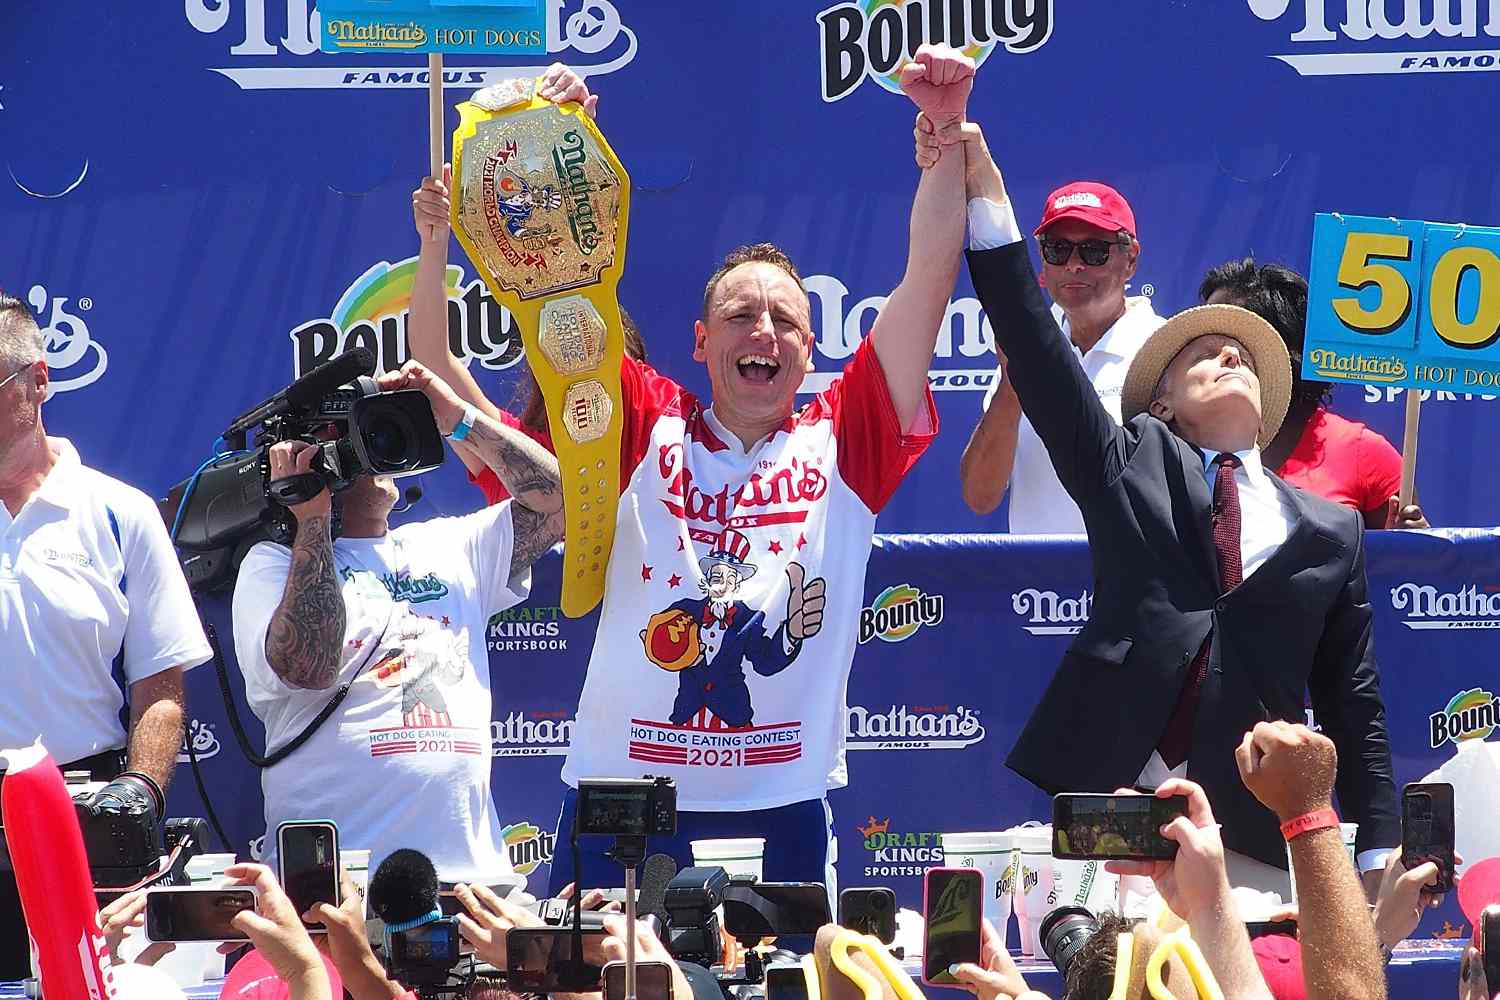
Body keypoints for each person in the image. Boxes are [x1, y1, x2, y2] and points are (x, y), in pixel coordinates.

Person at [529, 45, 972, 894]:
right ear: (701, 342)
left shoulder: (849, 436)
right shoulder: (642, 417)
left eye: (786, 321)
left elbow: (927, 277)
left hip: (781, 798)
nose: (763, 332)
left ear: (812, 349)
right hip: (625, 793)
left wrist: (946, 135)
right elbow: (569, 296)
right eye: (740, 315)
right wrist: (565, 150)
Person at [932, 117, 1400, 894]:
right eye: (1203, 354)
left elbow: (1355, 702)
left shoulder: (1332, 531)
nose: (1229, 354)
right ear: (1162, 405)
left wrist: (1381, 846)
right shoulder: (1127, 466)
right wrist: (978, 167)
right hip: (1112, 822)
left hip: (1258, 834)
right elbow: (1028, 331)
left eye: (1245, 355)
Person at [230, 360, 564, 887]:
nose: (376, 444)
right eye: (356, 429)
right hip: (337, 892)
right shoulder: (271, 564)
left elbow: (558, 502)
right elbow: (309, 666)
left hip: (472, 885)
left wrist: (459, 418)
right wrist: (311, 516)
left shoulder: (449, 545)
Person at [0, 293, 211, 977]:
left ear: (38, 381)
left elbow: (160, 684)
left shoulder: (120, 513)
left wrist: (141, 795)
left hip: (73, 815)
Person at [407, 65, 648, 508]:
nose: (579, 360)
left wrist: (576, 132)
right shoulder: (516, 457)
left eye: (601, 348)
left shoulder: (666, 447)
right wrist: (434, 241)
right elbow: (431, 358)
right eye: (560, 347)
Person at [951, 155, 1163, 532]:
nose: (1074, 265)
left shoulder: (1166, 351)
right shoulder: (1025, 350)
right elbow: (980, 497)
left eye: (1094, 250)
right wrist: (1015, 383)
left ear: (1130, 260)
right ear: (1043, 264)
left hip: (1138, 588)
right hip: (1039, 588)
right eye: (1058, 249)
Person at [1199, 258, 1428, 530]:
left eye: (1231, 341)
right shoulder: (1171, 448)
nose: (1220, 356)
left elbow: (1412, 566)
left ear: (1287, 347)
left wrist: (1408, 547)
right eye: (1202, 340)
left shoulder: (1363, 453)